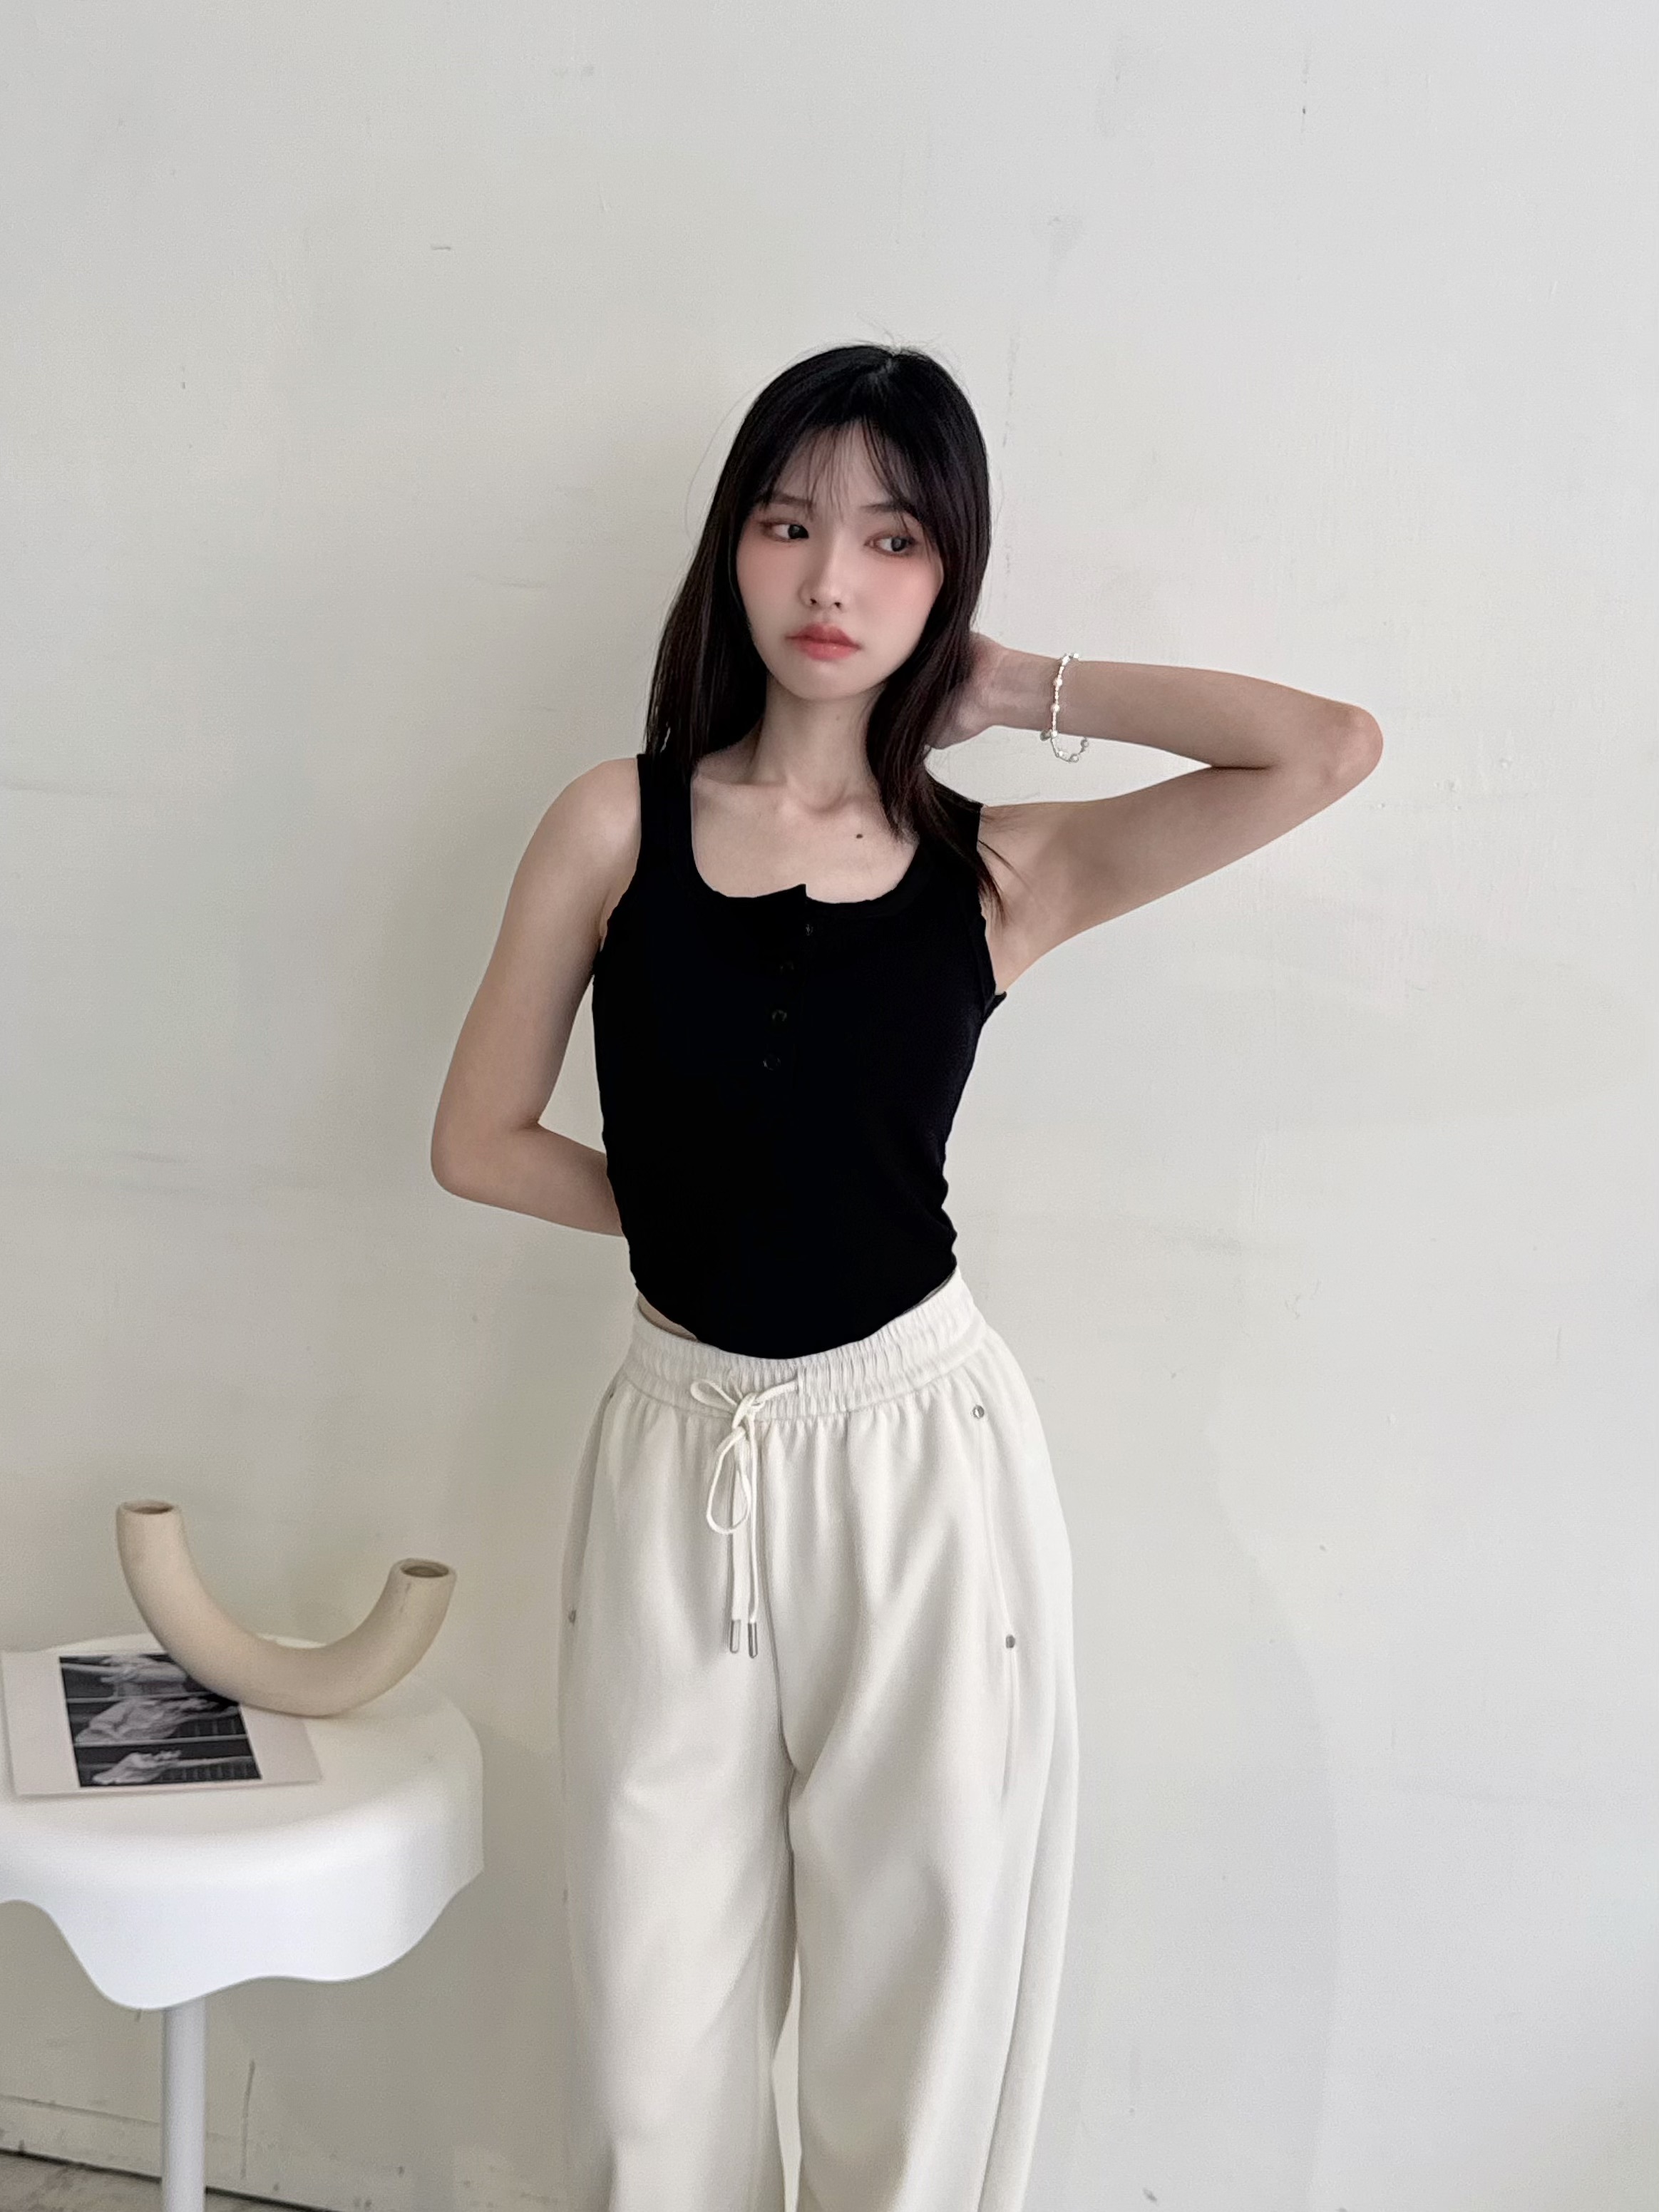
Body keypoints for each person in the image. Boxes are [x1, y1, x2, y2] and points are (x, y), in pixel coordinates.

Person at [430, 342, 1382, 2212]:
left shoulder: (998, 870)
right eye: (790, 525)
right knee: (653, 2028)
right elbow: (478, 1139)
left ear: (949, 574)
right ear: (732, 548)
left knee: (914, 2008)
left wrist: (1012, 687)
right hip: (678, 1458)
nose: (831, 580)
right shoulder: (613, 824)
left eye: (893, 539)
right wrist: (713, 1217)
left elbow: (1325, 748)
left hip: (918, 1464)